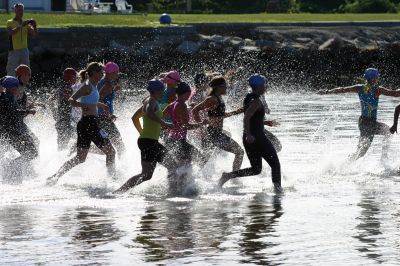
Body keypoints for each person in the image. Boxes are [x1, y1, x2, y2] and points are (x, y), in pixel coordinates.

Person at [47, 62, 116, 185]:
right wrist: (84, 105)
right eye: (101, 72)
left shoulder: (93, 86)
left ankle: (55, 176)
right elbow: (71, 100)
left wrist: (100, 105)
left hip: (86, 123)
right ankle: (112, 180)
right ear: (94, 73)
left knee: (80, 158)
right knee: (111, 152)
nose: (103, 74)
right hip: (90, 123)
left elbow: (90, 101)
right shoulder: (88, 86)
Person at [218, 74, 282, 192]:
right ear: (259, 86)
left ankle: (227, 176)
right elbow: (246, 117)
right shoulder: (256, 101)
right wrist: (249, 134)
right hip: (257, 138)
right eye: (264, 85)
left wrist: (266, 123)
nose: (266, 87)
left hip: (250, 138)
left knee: (256, 169)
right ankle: (278, 191)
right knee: (275, 165)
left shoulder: (248, 97)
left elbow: (252, 119)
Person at [319, 68, 400, 160]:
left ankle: (345, 164)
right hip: (370, 123)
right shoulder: (378, 90)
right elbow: (395, 93)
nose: (377, 79)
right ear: (374, 79)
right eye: (377, 78)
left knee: (361, 152)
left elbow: (343, 89)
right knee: (384, 134)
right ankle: (383, 159)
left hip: (363, 122)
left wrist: (327, 91)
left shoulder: (359, 88)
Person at [115, 79, 174, 193]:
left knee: (147, 175)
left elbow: (134, 117)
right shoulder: (151, 101)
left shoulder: (148, 100)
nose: (163, 92)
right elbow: (149, 113)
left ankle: (120, 191)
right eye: (162, 89)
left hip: (147, 140)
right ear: (157, 90)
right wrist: (164, 124)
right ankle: (174, 192)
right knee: (172, 165)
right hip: (149, 142)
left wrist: (142, 132)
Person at [192, 76, 244, 172]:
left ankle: (191, 176)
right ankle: (232, 177)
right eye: (225, 86)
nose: (227, 88)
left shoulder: (219, 98)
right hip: (213, 134)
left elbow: (220, 116)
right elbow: (195, 110)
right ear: (218, 87)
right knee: (240, 152)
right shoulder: (211, 99)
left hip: (217, 133)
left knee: (205, 161)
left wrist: (237, 111)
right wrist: (200, 125)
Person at [164, 81, 207, 167]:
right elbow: (186, 126)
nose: (189, 95)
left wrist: (169, 125)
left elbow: (161, 116)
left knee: (184, 166)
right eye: (189, 93)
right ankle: (199, 179)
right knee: (202, 160)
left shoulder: (172, 104)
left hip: (171, 140)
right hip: (179, 142)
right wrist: (201, 123)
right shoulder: (182, 105)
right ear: (187, 93)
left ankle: (183, 180)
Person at [0, 76, 38, 163]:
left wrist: (27, 108)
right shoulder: (7, 98)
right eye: (17, 87)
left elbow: (13, 111)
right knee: (32, 153)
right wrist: (29, 111)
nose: (18, 89)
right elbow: (15, 112)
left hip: (14, 131)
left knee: (31, 151)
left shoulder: (7, 97)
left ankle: (16, 169)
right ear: (13, 88)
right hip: (14, 132)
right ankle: (10, 168)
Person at [98, 62, 125, 156]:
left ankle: (84, 148)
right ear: (110, 73)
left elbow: (102, 97)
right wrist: (109, 114)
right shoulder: (107, 85)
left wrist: (114, 90)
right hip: (104, 118)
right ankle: (122, 168)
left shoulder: (102, 82)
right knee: (120, 146)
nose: (117, 75)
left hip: (100, 117)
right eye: (116, 72)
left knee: (107, 147)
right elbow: (99, 100)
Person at [6, 3, 37, 76]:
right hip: (14, 50)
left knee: (26, 71)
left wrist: (34, 25)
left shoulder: (26, 23)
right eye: (19, 10)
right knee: (11, 71)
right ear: (15, 11)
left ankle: (23, 86)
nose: (21, 12)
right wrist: (21, 26)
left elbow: (34, 34)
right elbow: (10, 32)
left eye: (22, 10)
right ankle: (10, 86)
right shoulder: (10, 22)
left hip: (24, 50)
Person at [53, 68, 78, 150]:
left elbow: (50, 100)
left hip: (61, 120)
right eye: (75, 77)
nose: (76, 79)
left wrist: (54, 113)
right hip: (65, 121)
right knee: (76, 139)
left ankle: (61, 158)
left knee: (62, 144)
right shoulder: (67, 88)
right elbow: (72, 101)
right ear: (71, 78)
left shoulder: (61, 87)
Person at [159, 70, 181, 142]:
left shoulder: (161, 91)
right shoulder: (173, 93)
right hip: (170, 127)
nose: (178, 83)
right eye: (177, 82)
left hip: (161, 126)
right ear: (172, 82)